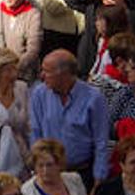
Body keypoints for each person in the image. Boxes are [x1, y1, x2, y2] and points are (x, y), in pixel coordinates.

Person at [30, 50, 110, 183]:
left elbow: (101, 141)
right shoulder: (39, 93)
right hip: (48, 172)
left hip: (82, 173)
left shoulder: (94, 98)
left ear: (64, 74)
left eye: (47, 71)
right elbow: (35, 132)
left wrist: (99, 178)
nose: (42, 76)